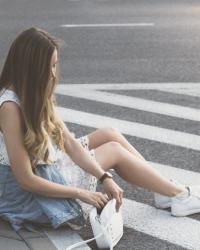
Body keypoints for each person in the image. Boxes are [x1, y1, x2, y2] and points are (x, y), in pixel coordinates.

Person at [0, 27, 199, 235]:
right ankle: (179, 196)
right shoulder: (10, 107)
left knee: (109, 133)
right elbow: (25, 180)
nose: (52, 74)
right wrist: (83, 193)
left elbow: (68, 143)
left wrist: (104, 177)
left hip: (47, 167)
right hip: (30, 199)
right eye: (47, 67)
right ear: (30, 68)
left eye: (54, 65)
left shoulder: (31, 92)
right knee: (114, 150)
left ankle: (164, 189)